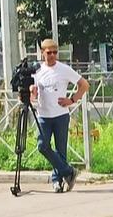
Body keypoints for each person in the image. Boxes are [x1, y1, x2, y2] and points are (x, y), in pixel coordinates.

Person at [30, 39, 88, 193]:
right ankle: (69, 172)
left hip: (61, 115)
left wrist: (72, 100)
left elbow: (84, 85)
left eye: (55, 52)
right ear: (42, 53)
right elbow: (33, 92)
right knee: (42, 145)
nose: (52, 56)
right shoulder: (37, 71)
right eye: (49, 53)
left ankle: (57, 181)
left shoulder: (64, 69)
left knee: (60, 151)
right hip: (43, 115)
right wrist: (32, 93)